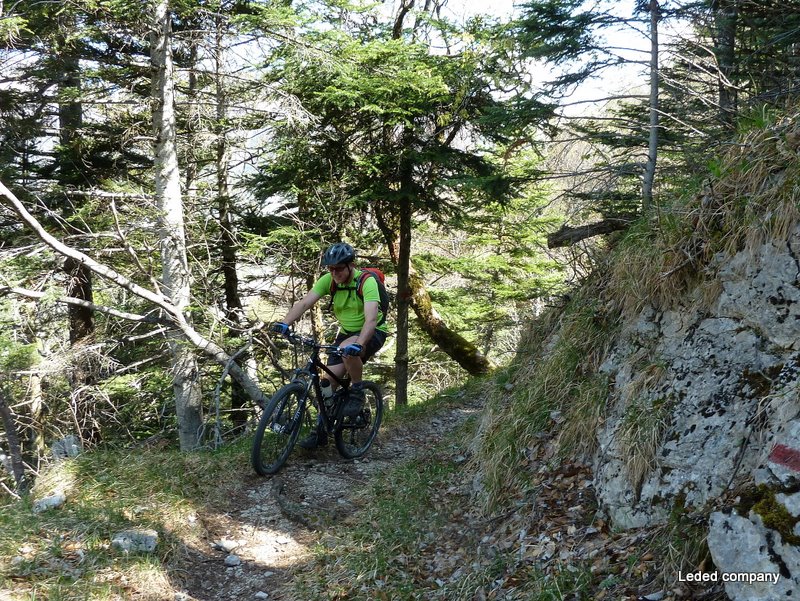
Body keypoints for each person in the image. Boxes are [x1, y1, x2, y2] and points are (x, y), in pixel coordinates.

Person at [271, 242, 388, 448]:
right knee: (327, 384)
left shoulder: (366, 282)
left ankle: (358, 390)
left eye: (339, 269)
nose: (335, 273)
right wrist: (285, 323)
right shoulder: (329, 281)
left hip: (372, 331)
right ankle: (322, 431)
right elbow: (305, 303)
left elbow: (370, 320)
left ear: (350, 265)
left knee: (347, 352)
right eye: (330, 269)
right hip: (345, 334)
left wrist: (359, 344)